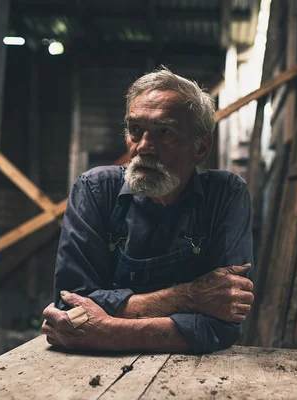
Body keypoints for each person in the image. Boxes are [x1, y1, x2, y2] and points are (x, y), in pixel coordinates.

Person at [41, 68, 255, 354]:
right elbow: (70, 306)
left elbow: (225, 323)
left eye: (163, 132)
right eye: (135, 130)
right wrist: (190, 296)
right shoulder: (95, 189)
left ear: (201, 146)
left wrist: (108, 331)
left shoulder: (225, 195)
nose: (143, 147)